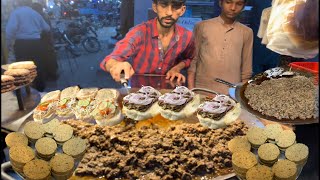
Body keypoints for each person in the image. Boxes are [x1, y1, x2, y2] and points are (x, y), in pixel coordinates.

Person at [100, 0, 195, 84]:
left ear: (182, 10)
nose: (169, 12)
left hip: (168, 94)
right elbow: (112, 57)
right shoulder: (139, 32)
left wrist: (176, 68)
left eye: (176, 6)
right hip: (139, 92)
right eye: (163, 4)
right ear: (155, 7)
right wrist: (115, 65)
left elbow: (190, 58)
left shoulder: (187, 36)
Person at [187, 0, 253, 95]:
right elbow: (193, 60)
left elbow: (246, 69)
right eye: (228, 2)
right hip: (202, 89)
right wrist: (191, 90)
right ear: (220, 3)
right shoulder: (202, 26)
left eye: (239, 4)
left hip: (231, 92)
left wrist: (242, 95)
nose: (233, 8)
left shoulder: (246, 32)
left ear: (243, 6)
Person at [6, 0, 51, 92]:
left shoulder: (16, 13)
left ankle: (27, 90)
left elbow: (10, 30)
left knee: (23, 69)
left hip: (22, 44)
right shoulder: (35, 13)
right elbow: (47, 28)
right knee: (37, 65)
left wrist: (9, 43)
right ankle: (40, 88)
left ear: (18, 3)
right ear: (29, 3)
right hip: (36, 43)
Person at [31, 2, 59, 81]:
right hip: (45, 40)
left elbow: (46, 30)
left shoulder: (41, 16)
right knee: (48, 56)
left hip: (45, 40)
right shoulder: (41, 15)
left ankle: (52, 74)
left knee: (48, 57)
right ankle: (51, 74)